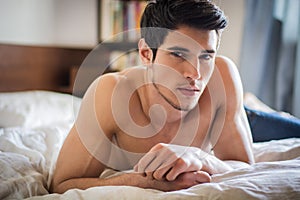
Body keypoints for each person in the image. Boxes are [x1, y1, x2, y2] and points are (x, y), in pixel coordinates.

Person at [50, 0, 255, 193]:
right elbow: (61, 184)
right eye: (179, 54)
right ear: (147, 54)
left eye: (206, 56)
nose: (196, 74)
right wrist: (146, 182)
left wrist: (200, 157)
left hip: (246, 115)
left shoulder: (223, 76)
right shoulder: (110, 94)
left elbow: (245, 166)